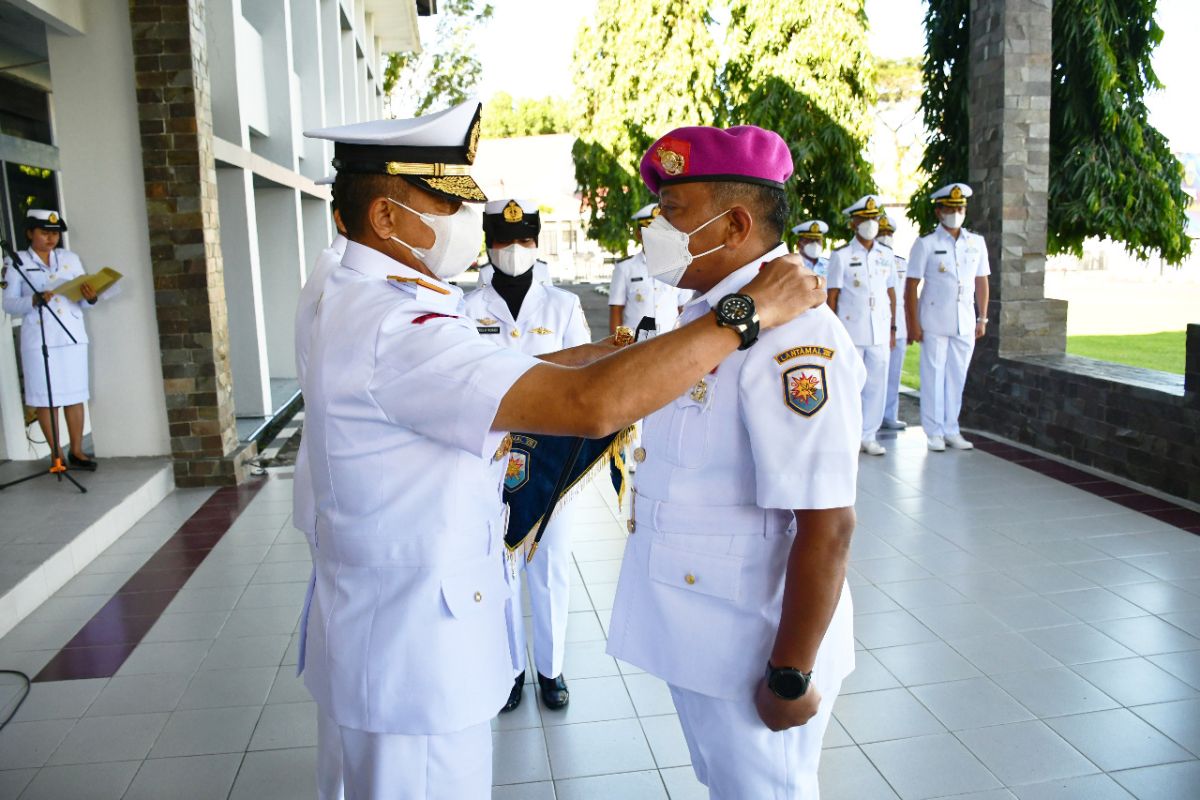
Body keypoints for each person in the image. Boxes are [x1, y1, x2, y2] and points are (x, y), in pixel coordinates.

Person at [299, 100, 828, 799]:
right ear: (386, 218)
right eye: (447, 203)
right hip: (415, 662)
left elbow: (510, 371)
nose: (472, 223)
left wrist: (612, 353)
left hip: (373, 633)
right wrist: (746, 312)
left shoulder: (344, 286)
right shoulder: (398, 327)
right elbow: (587, 406)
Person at [607, 124, 864, 800]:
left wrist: (790, 673)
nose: (654, 231)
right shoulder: (711, 319)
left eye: (673, 213)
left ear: (735, 224)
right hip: (704, 633)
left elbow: (828, 525)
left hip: (756, 645)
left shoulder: (796, 340)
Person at [463, 197, 590, 712]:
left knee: (552, 564)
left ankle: (551, 668)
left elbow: (584, 380)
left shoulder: (564, 307)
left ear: (536, 243)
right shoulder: (466, 309)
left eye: (523, 241)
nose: (513, 250)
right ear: (488, 245)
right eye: (502, 241)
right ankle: (511, 669)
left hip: (553, 463)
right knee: (501, 567)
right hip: (491, 459)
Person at [291, 179, 347, 800]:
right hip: (343, 493)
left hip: (333, 487)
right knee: (343, 645)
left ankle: (337, 781)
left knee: (341, 639)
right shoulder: (338, 284)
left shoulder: (328, 275)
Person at [2, 209, 104, 470]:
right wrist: (33, 300)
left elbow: (83, 298)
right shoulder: (17, 262)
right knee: (46, 397)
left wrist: (90, 296)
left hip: (70, 335)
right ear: (30, 233)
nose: (51, 239)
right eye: (45, 233)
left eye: (55, 234)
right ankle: (56, 452)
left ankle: (78, 451)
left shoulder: (70, 259)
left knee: (74, 393)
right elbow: (9, 304)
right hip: (40, 338)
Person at [905, 182, 990, 451]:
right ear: (939, 211)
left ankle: (952, 428)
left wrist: (983, 317)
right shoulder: (926, 243)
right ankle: (934, 432)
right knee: (933, 376)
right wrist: (913, 324)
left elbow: (982, 281)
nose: (956, 213)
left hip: (965, 320)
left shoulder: (976, 242)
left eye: (961, 208)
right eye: (951, 209)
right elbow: (911, 285)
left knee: (957, 376)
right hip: (934, 319)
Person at [825, 194, 896, 456]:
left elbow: (891, 293)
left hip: (879, 329)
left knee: (877, 385)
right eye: (864, 220)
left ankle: (869, 435)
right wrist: (831, 332)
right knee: (849, 385)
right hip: (850, 332)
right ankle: (849, 435)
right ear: (853, 223)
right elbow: (832, 297)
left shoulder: (885, 254)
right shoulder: (842, 255)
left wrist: (893, 329)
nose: (870, 224)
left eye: (874, 219)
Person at [608, 203, 691, 336]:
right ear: (639, 235)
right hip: (635, 343)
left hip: (670, 342)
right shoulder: (625, 268)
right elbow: (616, 309)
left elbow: (684, 309)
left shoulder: (678, 266)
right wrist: (621, 346)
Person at [878, 212, 909, 431]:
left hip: (900, 326)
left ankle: (890, 415)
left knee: (894, 374)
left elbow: (907, 297)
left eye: (889, 233)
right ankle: (871, 418)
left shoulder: (901, 262)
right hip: (878, 325)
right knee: (873, 376)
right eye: (882, 233)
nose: (885, 237)